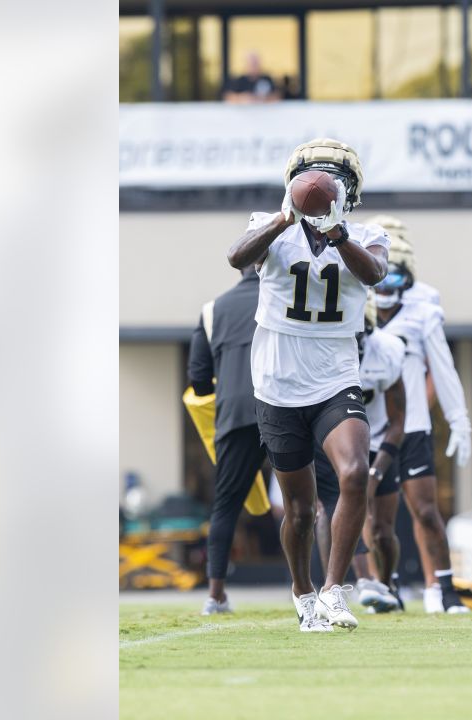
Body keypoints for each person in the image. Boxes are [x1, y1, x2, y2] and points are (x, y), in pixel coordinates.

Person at [226, 138, 389, 632]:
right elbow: (236, 259)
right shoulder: (268, 226)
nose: (320, 184)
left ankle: (334, 592)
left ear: (349, 191)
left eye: (330, 177)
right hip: (277, 379)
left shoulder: (366, 235)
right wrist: (283, 220)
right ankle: (303, 591)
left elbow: (375, 273)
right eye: (311, 176)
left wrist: (338, 235)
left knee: (355, 472)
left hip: (335, 376)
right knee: (298, 509)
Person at [372, 242, 472, 614]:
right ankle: (385, 587)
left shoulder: (422, 313)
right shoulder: (354, 308)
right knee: (375, 521)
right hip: (371, 430)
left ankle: (442, 587)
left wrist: (458, 419)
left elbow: (443, 369)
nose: (384, 285)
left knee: (426, 511)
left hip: (412, 426)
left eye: (393, 275)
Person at [313, 296, 409, 613]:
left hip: (378, 442)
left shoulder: (388, 350)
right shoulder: (322, 346)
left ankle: (388, 582)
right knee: (331, 510)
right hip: (336, 440)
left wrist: (376, 471)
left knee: (382, 530)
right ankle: (344, 584)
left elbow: (398, 421)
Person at [186, 266, 268, 616]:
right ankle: (315, 588)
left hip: (233, 415)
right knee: (306, 501)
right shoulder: (283, 296)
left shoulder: (212, 310)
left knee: (226, 505)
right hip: (282, 406)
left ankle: (215, 595)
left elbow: (199, 379)